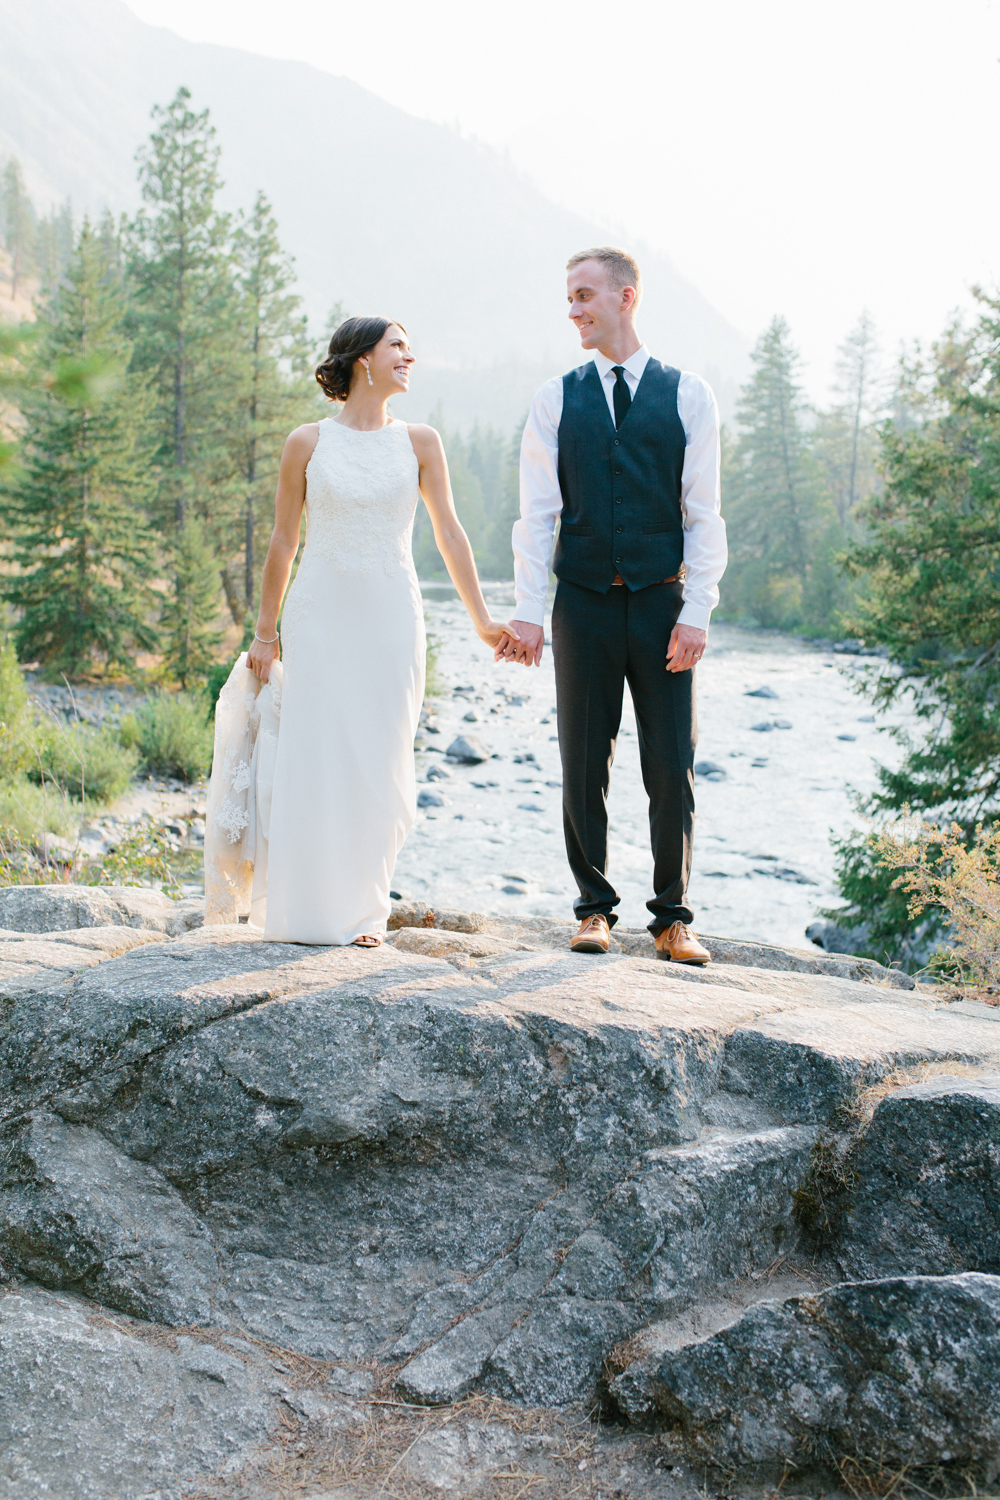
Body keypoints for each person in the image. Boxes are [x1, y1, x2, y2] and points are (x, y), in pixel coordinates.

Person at [207, 315, 516, 946]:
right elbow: (283, 542)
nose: (410, 356)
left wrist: (483, 620)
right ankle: (302, 910)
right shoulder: (307, 441)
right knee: (317, 755)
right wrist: (265, 634)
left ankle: (365, 913)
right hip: (320, 615)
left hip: (391, 618)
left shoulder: (421, 442)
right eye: (398, 346)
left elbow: (450, 533)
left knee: (381, 759)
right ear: (362, 360)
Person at [500, 248, 726, 962]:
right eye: (569, 297)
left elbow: (704, 514)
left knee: (671, 765)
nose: (573, 310)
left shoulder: (689, 394)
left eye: (584, 295)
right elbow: (537, 513)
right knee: (582, 762)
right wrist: (528, 609)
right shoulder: (555, 397)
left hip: (663, 604)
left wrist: (700, 610)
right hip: (584, 604)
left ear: (626, 297)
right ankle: (594, 910)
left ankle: (671, 920)